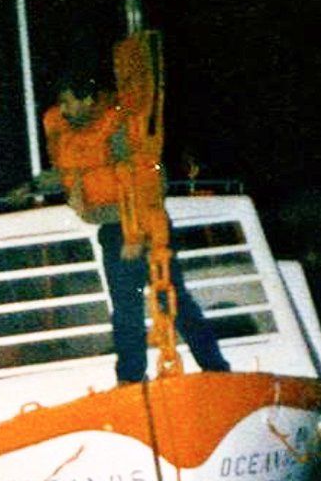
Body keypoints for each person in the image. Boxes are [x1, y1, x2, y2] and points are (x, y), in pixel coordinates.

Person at [43, 75, 229, 383]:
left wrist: (136, 233)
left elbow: (140, 179)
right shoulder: (82, 134)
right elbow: (78, 170)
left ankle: (148, 375)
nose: (62, 110)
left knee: (159, 302)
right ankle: (205, 369)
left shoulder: (117, 128)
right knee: (153, 303)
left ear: (88, 99)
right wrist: (32, 186)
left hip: (134, 227)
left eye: (68, 101)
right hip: (114, 229)